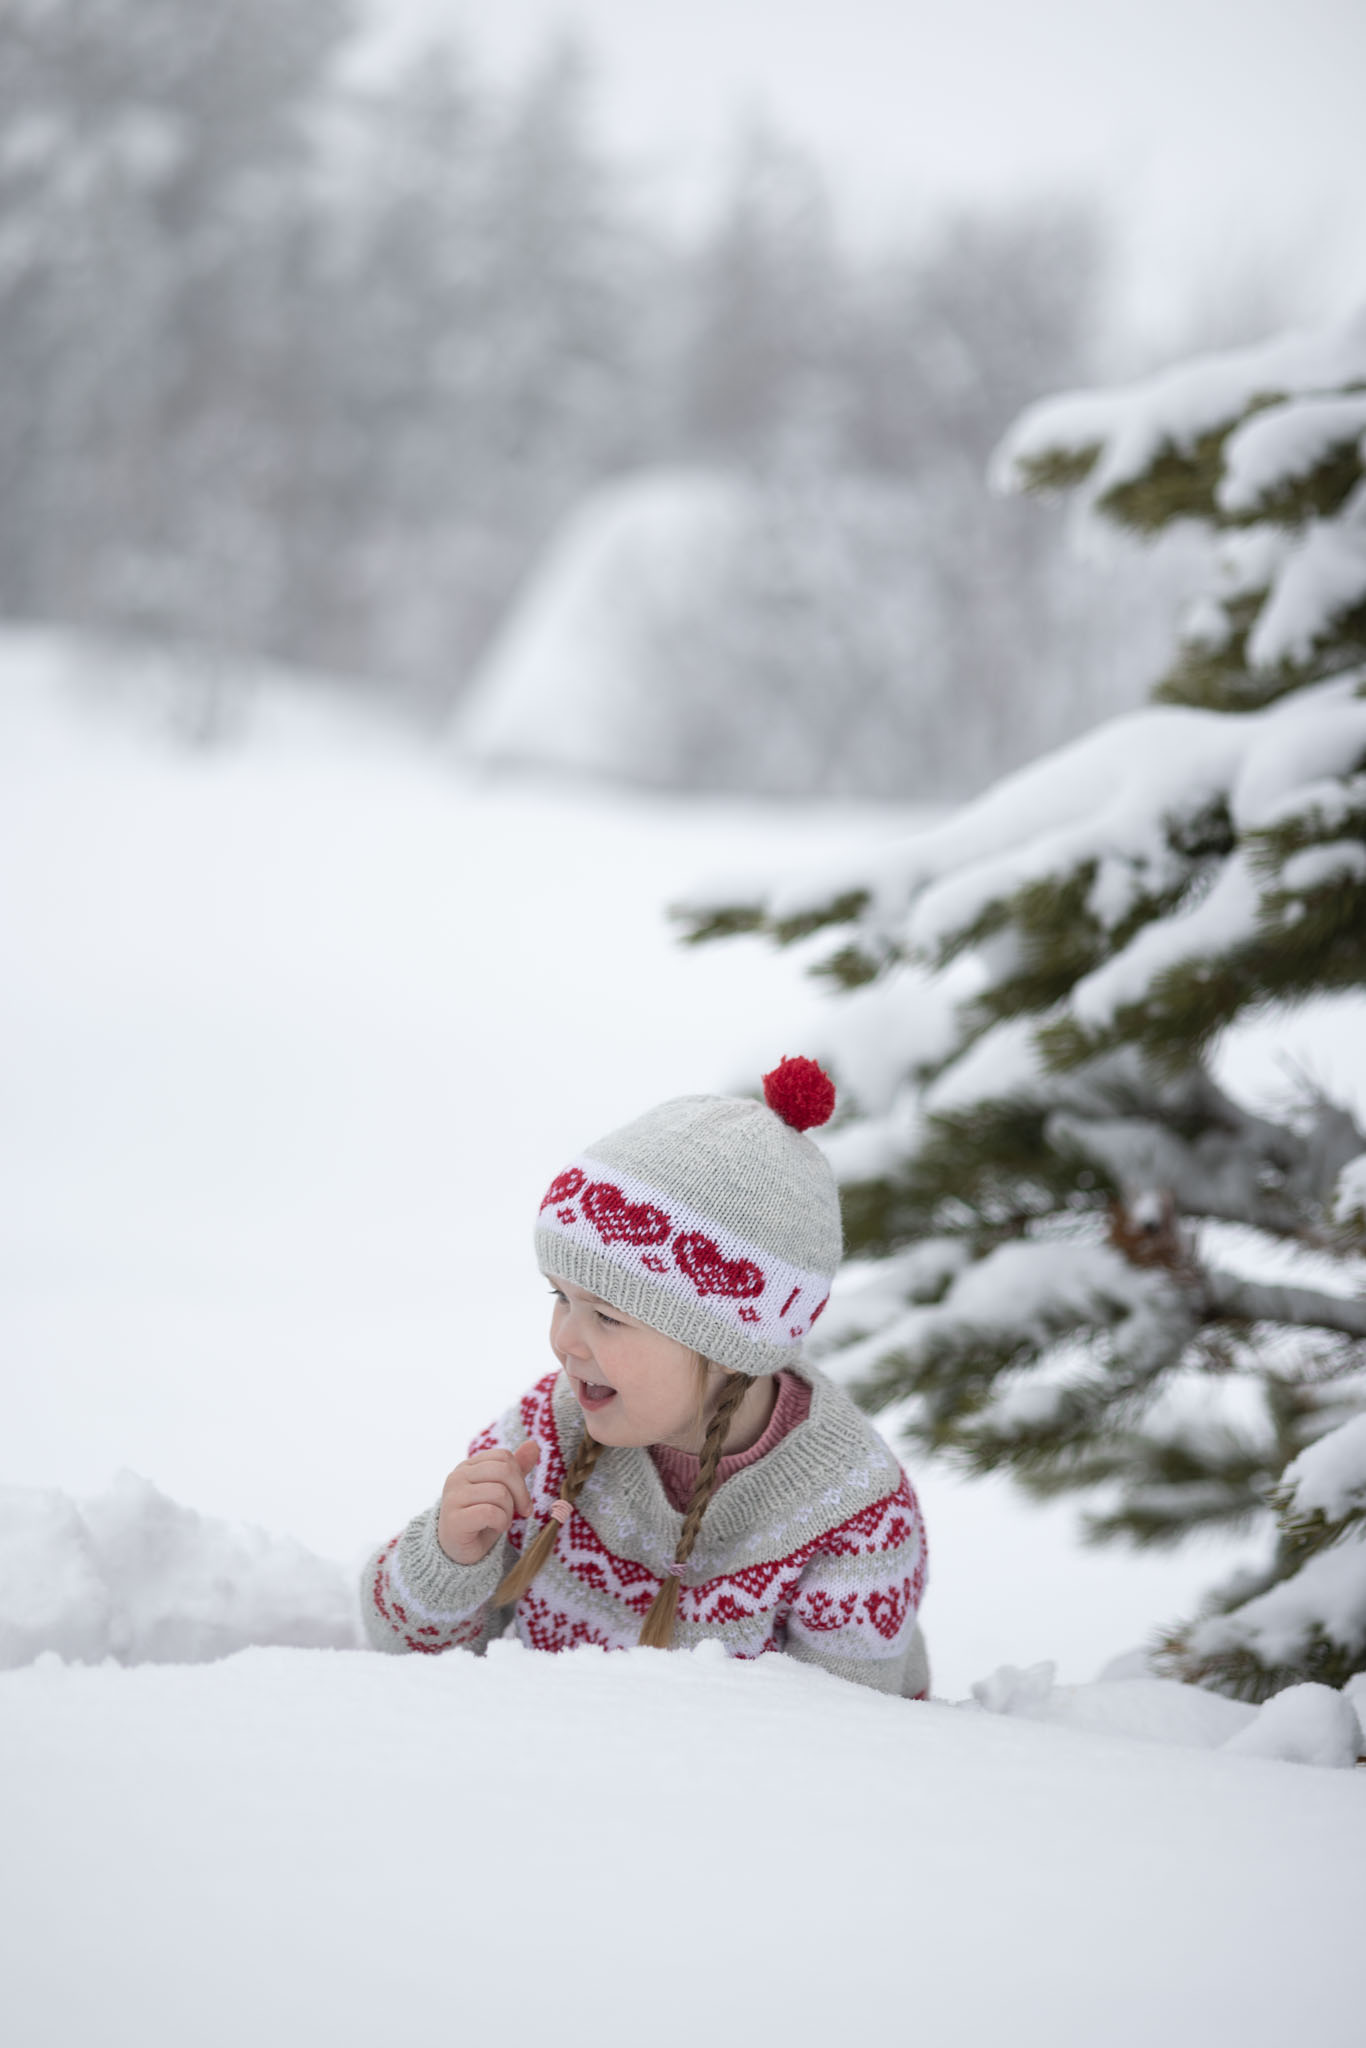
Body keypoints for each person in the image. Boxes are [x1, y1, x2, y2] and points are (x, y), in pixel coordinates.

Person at [361, 1055, 930, 1697]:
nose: (564, 1341)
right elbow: (406, 1667)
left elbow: (857, 1740)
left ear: (725, 1344)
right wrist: (450, 1558)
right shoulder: (544, 1438)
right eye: (559, 1298)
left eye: (606, 1316)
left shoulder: (851, 1514)